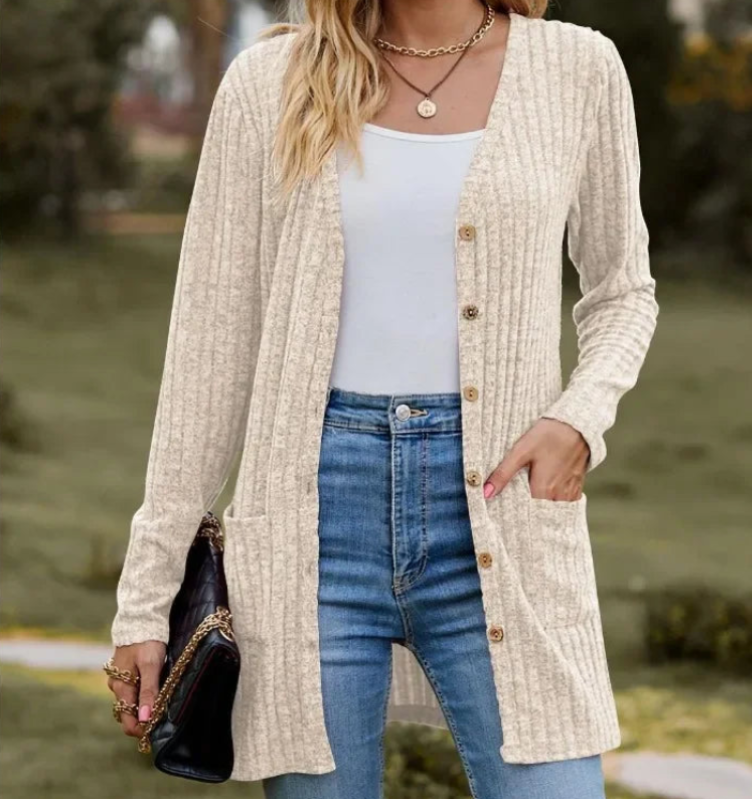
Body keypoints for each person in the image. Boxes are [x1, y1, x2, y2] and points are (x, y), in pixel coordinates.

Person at [104, 1, 659, 798]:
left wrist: (580, 415)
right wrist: (146, 600)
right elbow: (207, 353)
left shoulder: (577, 69)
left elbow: (622, 291)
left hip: (502, 513)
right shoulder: (272, 81)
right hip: (312, 533)